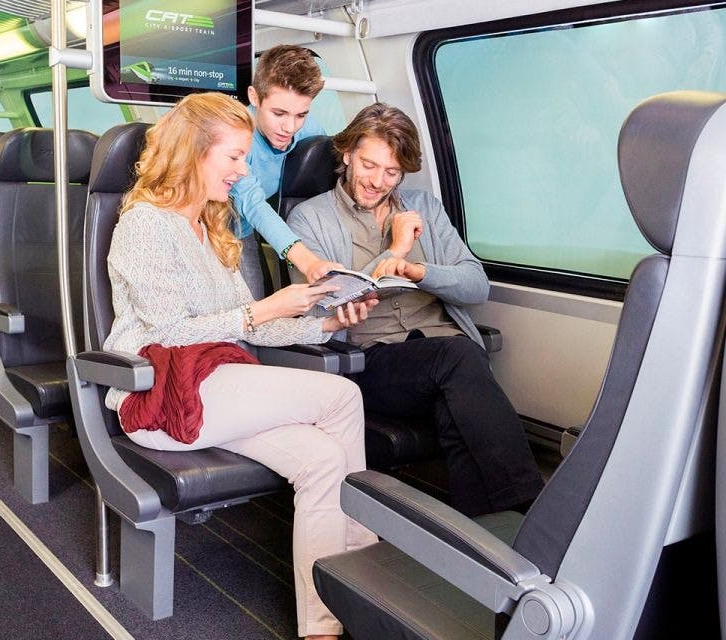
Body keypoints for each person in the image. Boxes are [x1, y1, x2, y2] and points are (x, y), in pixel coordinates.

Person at [104, 92, 378, 639]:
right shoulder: (145, 224)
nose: (242, 170)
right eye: (232, 157)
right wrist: (262, 309)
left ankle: (322, 626)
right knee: (343, 396)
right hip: (162, 394)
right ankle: (366, 580)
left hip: (219, 385)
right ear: (191, 153)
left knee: (323, 459)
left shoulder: (209, 227)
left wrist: (322, 322)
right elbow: (166, 335)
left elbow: (251, 324)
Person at [287, 103, 544, 517]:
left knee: (457, 408)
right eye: (369, 165)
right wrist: (393, 252)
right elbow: (318, 312)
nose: (377, 182)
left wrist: (418, 270)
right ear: (348, 153)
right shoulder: (308, 219)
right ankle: (533, 512)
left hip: (443, 357)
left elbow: (477, 285)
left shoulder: (424, 207)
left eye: (391, 173)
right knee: (460, 357)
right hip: (370, 360)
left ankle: (483, 538)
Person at [231, 45, 340, 298]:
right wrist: (306, 261)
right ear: (254, 97)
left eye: (300, 114)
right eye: (278, 113)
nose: (289, 127)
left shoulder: (309, 129)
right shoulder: (237, 135)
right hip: (209, 228)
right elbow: (252, 203)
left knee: (256, 317)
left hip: (243, 230)